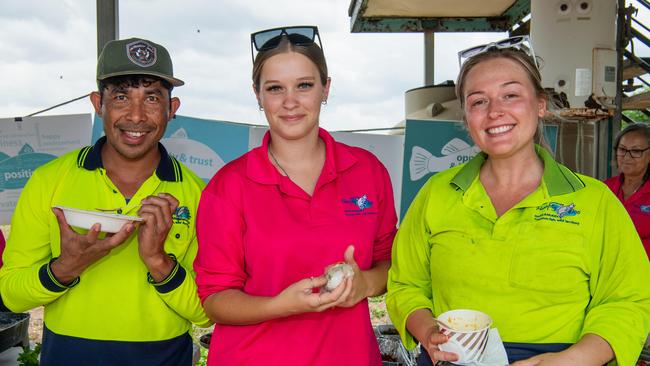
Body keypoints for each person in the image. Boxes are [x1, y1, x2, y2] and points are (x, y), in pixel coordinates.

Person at [386, 36, 650, 366]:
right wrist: (428, 332)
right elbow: (404, 283)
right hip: (453, 357)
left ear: (540, 104)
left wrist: (568, 361)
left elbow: (627, 300)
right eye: (478, 101)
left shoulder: (594, 201)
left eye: (510, 95)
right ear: (466, 117)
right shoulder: (436, 193)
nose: (495, 112)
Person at [194, 25, 398, 365]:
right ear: (258, 95)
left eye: (304, 85)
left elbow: (390, 264)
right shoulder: (229, 185)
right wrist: (282, 305)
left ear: (325, 88)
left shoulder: (367, 171)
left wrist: (365, 284)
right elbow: (215, 299)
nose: (290, 102)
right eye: (275, 88)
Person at [0, 37, 210, 365]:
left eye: (152, 97)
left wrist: (158, 261)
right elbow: (11, 294)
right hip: (68, 355)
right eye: (122, 97)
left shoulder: (198, 194)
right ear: (99, 104)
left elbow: (206, 313)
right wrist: (66, 267)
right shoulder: (49, 181)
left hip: (164, 356)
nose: (136, 116)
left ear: (172, 108)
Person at [604, 122, 650, 258]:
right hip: (609, 273)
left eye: (636, 151)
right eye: (622, 149)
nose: (627, 157)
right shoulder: (604, 189)